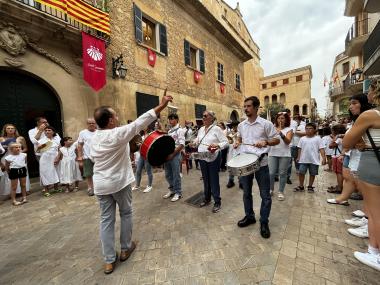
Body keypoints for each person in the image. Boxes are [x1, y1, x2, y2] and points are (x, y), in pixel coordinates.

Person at [90, 92, 173, 274]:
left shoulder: (93, 137)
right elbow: (140, 122)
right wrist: (161, 105)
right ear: (110, 121)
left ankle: (109, 261)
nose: (118, 118)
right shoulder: (117, 134)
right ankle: (126, 249)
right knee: (126, 213)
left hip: (101, 185)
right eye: (115, 115)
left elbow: (91, 158)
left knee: (106, 221)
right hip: (119, 183)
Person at [343, 90, 380, 271]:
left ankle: (376, 254)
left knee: (375, 213)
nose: (370, 94)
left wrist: (357, 141)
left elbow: (347, 142)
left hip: (373, 161)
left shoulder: (370, 115)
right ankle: (373, 250)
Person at [234, 96, 280, 238]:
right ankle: (250, 216)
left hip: (261, 164)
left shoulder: (266, 124)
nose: (246, 109)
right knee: (246, 193)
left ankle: (264, 222)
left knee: (265, 195)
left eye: (248, 106)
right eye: (245, 106)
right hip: (245, 163)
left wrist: (265, 142)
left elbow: (277, 139)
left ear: (256, 107)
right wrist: (237, 142)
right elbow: (240, 138)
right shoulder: (242, 125)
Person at [192, 110, 228, 213]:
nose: (203, 118)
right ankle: (207, 199)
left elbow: (225, 142)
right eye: (202, 116)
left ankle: (217, 201)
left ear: (212, 118)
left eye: (205, 116)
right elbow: (198, 139)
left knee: (213, 180)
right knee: (206, 179)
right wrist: (193, 143)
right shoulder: (201, 129)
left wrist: (217, 145)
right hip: (202, 157)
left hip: (213, 157)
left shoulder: (217, 129)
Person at [294, 123, 326, 192]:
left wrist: (324, 158)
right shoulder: (302, 139)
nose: (308, 130)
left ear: (314, 130)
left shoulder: (318, 139)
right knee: (301, 172)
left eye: (310, 128)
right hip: (303, 159)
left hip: (314, 160)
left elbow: (321, 149)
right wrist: (298, 157)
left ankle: (310, 186)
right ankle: (301, 186)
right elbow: (299, 148)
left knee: (312, 173)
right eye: (307, 129)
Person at [268, 112, 293, 201]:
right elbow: (268, 140)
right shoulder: (272, 128)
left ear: (286, 120)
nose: (280, 120)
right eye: (279, 118)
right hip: (272, 153)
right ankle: (271, 189)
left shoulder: (289, 129)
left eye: (282, 118)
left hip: (284, 154)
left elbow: (288, 142)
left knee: (282, 174)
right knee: (271, 173)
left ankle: (280, 192)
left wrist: (281, 134)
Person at [0, 124, 30, 196]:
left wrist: (18, 152)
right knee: (8, 175)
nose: (10, 130)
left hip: (19, 158)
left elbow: (25, 148)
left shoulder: (20, 138)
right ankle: (12, 192)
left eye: (12, 128)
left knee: (21, 173)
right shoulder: (1, 139)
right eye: (8, 128)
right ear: (5, 130)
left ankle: (23, 190)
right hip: (7, 158)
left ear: (15, 130)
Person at [162, 113, 185, 202]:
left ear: (176, 119)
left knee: (176, 174)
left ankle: (178, 192)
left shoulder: (180, 130)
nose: (170, 121)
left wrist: (173, 154)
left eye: (172, 119)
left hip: (175, 155)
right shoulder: (170, 131)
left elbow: (182, 144)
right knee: (168, 174)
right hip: (167, 154)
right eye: (169, 119)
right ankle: (172, 190)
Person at [37, 126, 60, 197]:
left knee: (56, 172)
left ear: (53, 132)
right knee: (45, 173)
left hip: (55, 157)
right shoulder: (41, 140)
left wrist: (58, 158)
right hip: (45, 159)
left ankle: (56, 188)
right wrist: (45, 145)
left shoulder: (57, 140)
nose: (47, 131)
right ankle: (46, 190)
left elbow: (60, 149)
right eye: (46, 130)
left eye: (49, 130)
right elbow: (38, 151)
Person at [77, 118, 97, 196]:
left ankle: (97, 188)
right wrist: (80, 157)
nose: (91, 124)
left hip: (98, 157)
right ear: (87, 124)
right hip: (87, 157)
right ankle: (90, 188)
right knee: (88, 174)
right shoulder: (83, 133)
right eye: (89, 123)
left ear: (95, 124)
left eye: (93, 123)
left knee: (98, 173)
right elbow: (80, 145)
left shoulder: (99, 132)